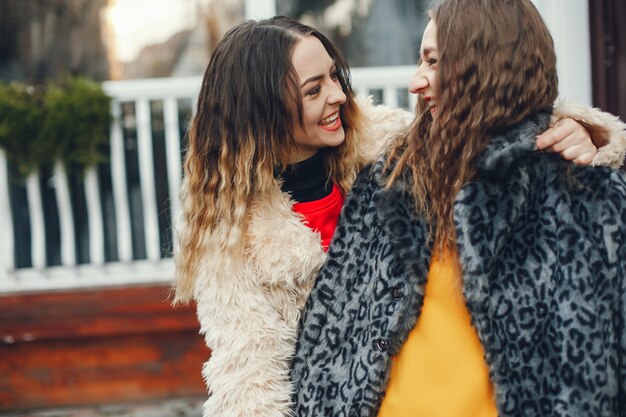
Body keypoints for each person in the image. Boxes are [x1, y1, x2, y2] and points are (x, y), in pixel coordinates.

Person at [172, 15, 625, 417]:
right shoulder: (232, 233)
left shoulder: (376, 144)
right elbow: (248, 376)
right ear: (264, 113)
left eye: (334, 75)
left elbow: (487, 116)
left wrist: (582, 131)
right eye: (314, 89)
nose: (337, 95)